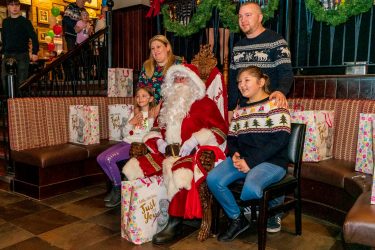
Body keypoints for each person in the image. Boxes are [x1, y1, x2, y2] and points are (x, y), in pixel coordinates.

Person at [122, 63, 228, 244]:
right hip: (166, 152)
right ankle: (142, 215)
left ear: (193, 82)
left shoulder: (205, 104)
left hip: (192, 154)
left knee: (179, 173)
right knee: (134, 167)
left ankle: (174, 222)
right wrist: (160, 143)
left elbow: (220, 131)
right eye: (176, 78)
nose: (179, 82)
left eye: (183, 78)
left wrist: (195, 140)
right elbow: (154, 129)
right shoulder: (166, 104)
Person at [207, 66, 291, 242]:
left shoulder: (275, 105)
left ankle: (271, 208)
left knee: (250, 190)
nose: (241, 85)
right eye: (239, 82)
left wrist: (251, 162)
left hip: (272, 161)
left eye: (247, 80)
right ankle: (237, 219)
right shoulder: (240, 109)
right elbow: (232, 138)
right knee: (213, 179)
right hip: (244, 160)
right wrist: (236, 153)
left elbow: (279, 142)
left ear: (261, 82)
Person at [228, 2, 293, 121]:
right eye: (240, 16)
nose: (243, 20)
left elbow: (286, 73)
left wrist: (280, 91)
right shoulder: (237, 47)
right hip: (244, 111)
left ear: (260, 17)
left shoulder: (277, 42)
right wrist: (230, 108)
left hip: (269, 109)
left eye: (248, 15)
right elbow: (233, 81)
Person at [97, 86, 157, 208]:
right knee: (100, 158)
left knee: (109, 159)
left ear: (151, 99)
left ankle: (118, 190)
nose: (140, 98)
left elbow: (148, 134)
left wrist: (145, 121)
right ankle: (116, 186)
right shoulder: (134, 112)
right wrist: (131, 122)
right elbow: (125, 133)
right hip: (126, 141)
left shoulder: (152, 114)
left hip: (137, 145)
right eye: (138, 96)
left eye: (144, 96)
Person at [1, 0, 39, 96]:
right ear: (8, 7)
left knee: (21, 82)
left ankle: (19, 105)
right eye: (11, 5)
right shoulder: (5, 22)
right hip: (8, 54)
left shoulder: (25, 22)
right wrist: (2, 52)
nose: (14, 7)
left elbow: (34, 37)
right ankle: (9, 103)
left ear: (19, 7)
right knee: (4, 78)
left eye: (16, 5)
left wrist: (35, 52)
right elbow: (4, 39)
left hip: (22, 55)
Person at [137, 35, 183, 105]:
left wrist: (160, 106)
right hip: (150, 109)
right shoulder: (147, 65)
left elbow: (182, 91)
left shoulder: (178, 63)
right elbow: (140, 89)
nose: (155, 51)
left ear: (167, 47)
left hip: (173, 108)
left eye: (158, 47)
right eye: (153, 48)